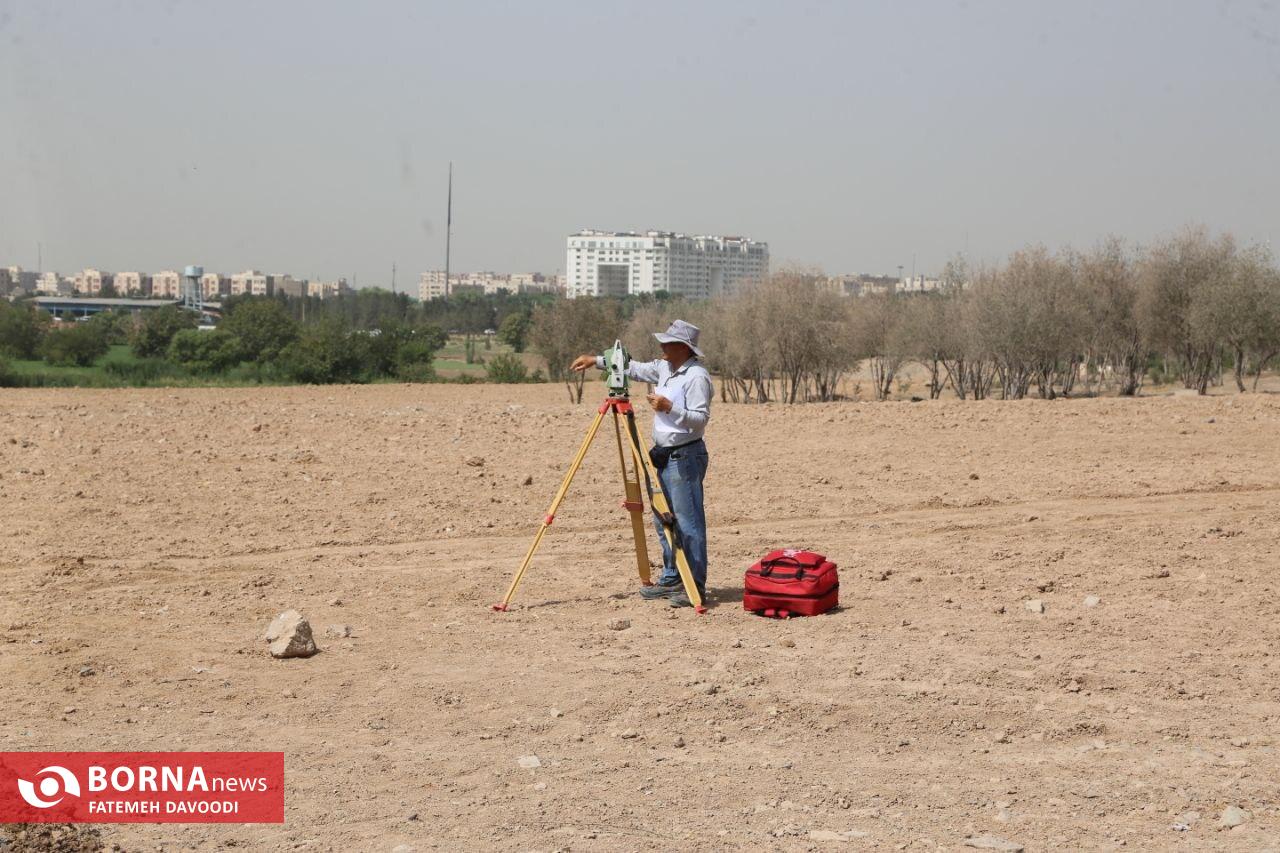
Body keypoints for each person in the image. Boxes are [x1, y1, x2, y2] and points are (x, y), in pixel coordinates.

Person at [571, 319, 712, 607]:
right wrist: (595, 360)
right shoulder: (664, 368)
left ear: (682, 348)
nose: (661, 346)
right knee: (663, 520)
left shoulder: (697, 377)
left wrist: (669, 407)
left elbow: (700, 419)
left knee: (688, 523)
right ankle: (673, 576)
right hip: (662, 455)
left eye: (667, 343)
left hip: (685, 456)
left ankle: (694, 585)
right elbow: (634, 368)